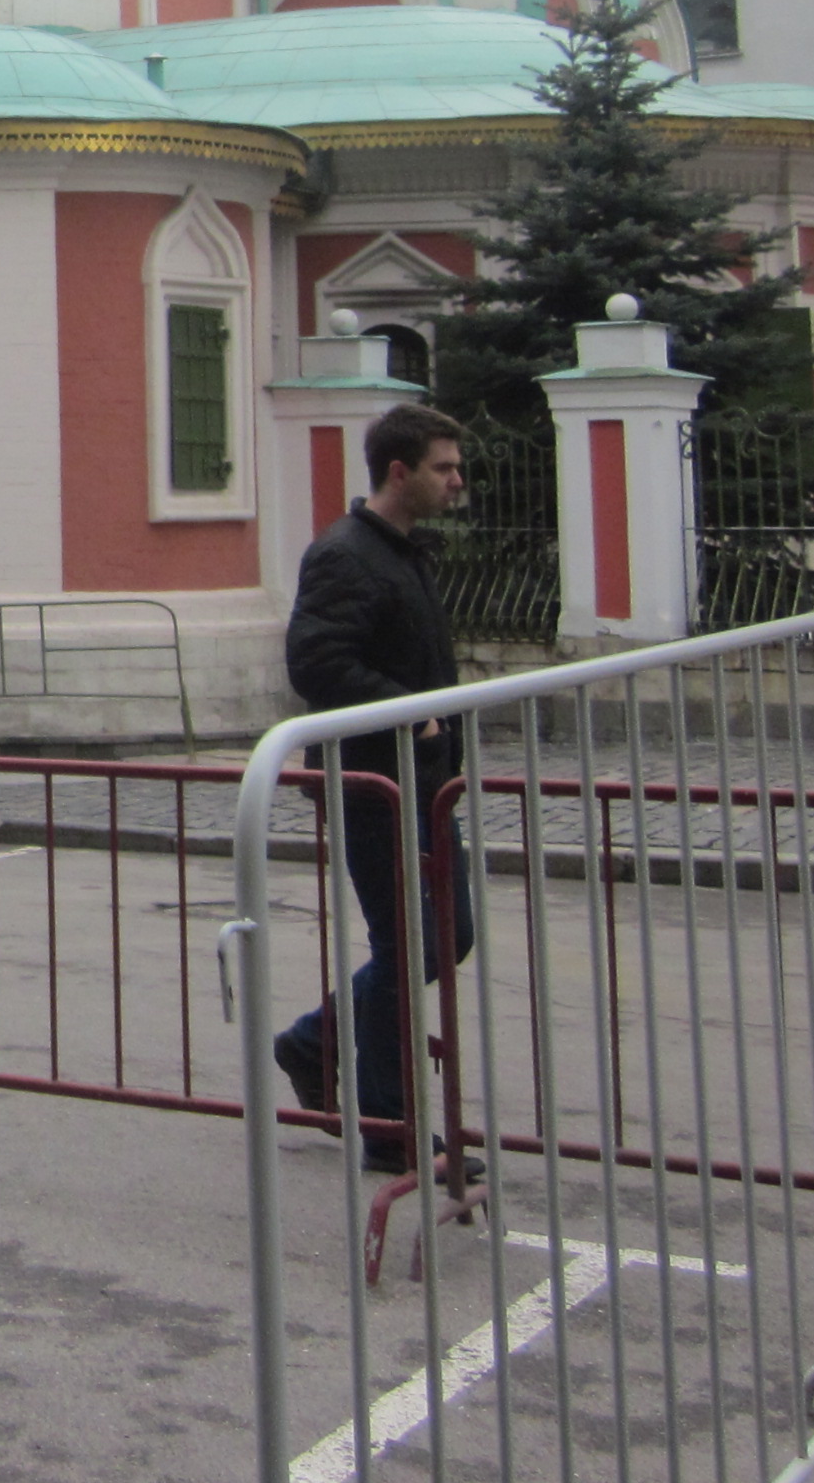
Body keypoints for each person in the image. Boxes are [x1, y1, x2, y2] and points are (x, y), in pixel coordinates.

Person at [272, 399, 477, 1175]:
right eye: (443, 468)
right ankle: (391, 1130)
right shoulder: (345, 554)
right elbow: (316, 663)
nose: (457, 481)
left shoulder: (402, 551)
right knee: (407, 945)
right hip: (371, 783)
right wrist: (406, 712)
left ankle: (312, 1041)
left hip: (424, 783)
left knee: (447, 935)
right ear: (399, 471)